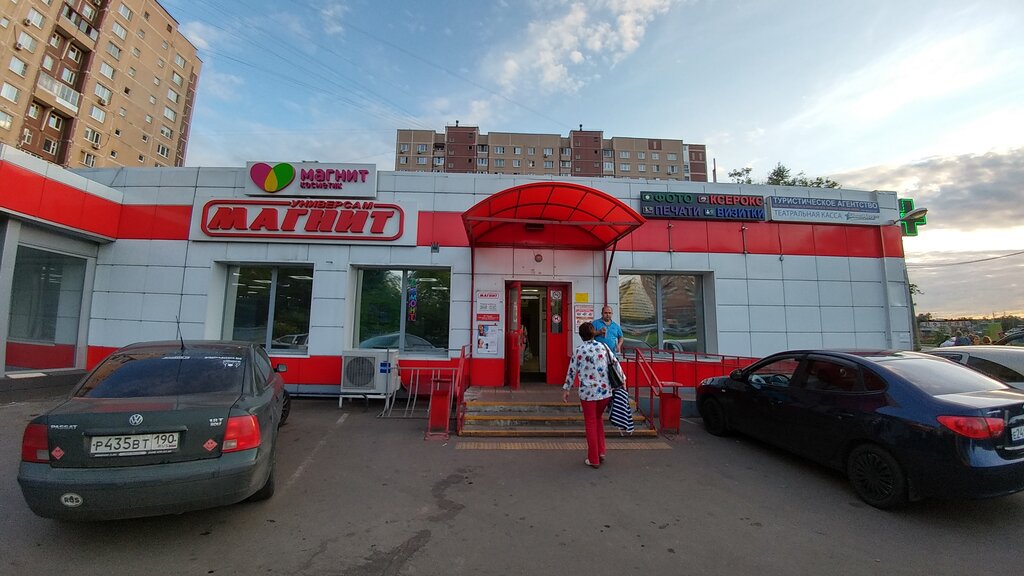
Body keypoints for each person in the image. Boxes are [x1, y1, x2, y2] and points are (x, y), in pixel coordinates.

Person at [562, 322, 613, 468]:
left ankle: (593, 459)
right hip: (605, 392)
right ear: (593, 333)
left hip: (588, 393)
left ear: (581, 335)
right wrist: (622, 382)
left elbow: (572, 371)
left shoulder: (579, 351)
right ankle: (601, 452)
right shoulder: (603, 347)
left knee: (590, 423)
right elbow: (615, 364)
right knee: (598, 419)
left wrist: (566, 389)